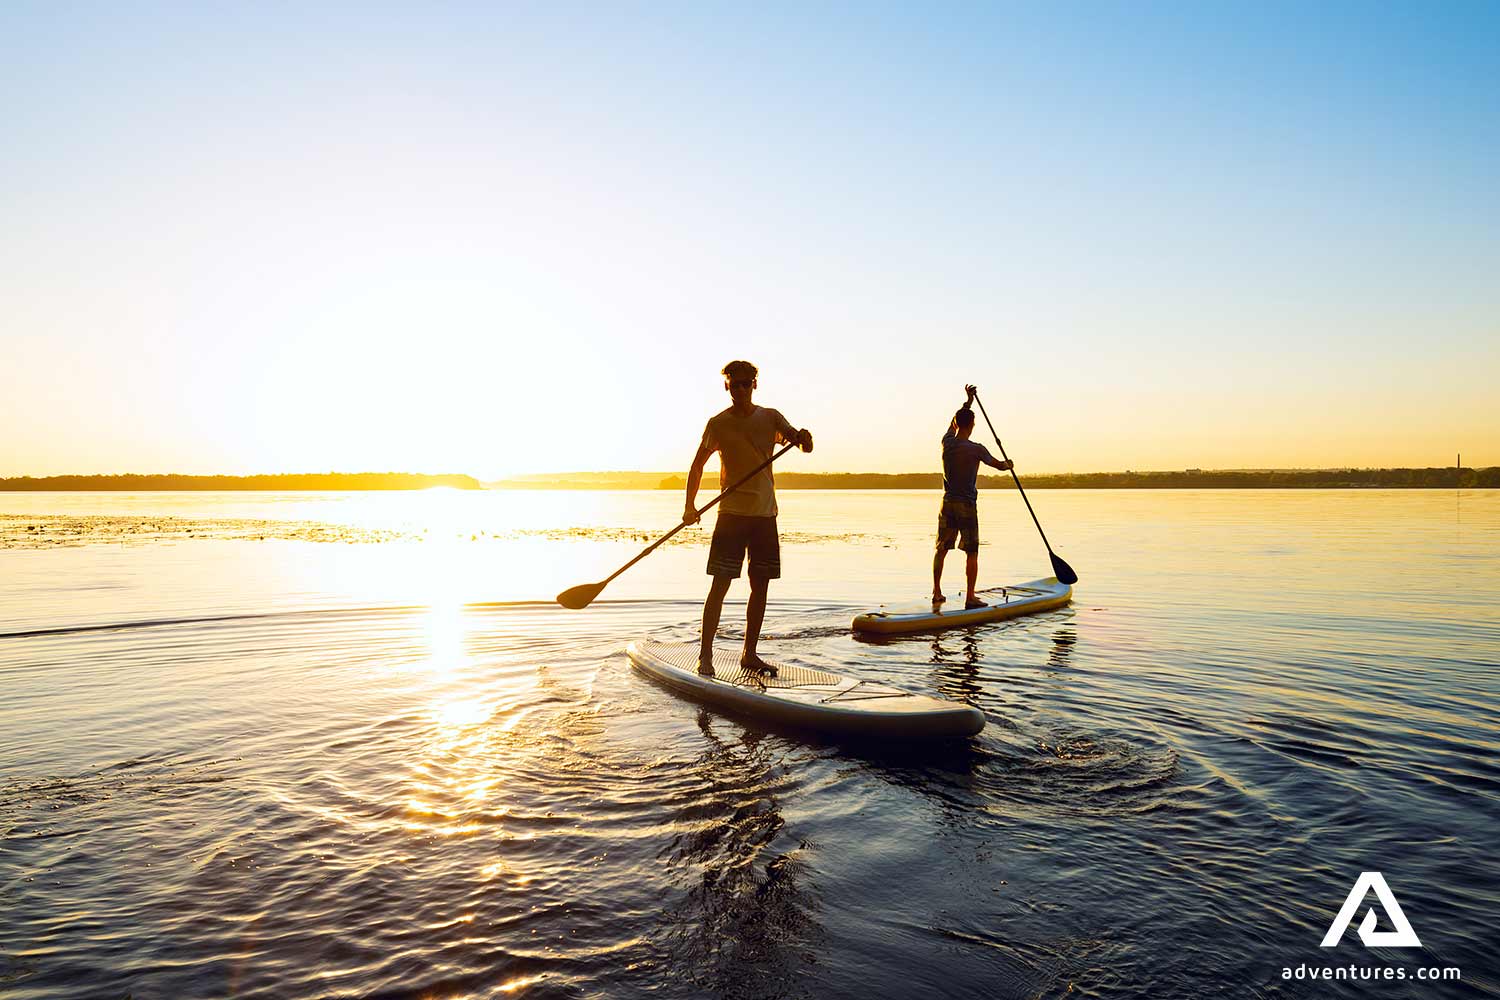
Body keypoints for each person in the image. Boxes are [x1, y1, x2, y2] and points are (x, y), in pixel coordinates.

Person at [684, 360, 813, 676]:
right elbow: (697, 465)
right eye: (734, 383)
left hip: (764, 515)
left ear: (754, 384)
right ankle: (705, 657)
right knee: (721, 585)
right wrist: (690, 506)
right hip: (731, 515)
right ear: (726, 385)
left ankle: (749, 654)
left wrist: (805, 437)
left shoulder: (770, 418)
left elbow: (804, 446)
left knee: (761, 585)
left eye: (746, 383)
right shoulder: (718, 424)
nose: (740, 389)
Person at [934, 384, 1013, 609]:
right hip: (966, 505)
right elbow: (998, 465)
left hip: (947, 503)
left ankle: (937, 592)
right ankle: (970, 597)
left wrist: (967, 402)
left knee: (941, 548)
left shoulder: (946, 443)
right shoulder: (976, 448)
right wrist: (1009, 465)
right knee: (972, 551)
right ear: (973, 425)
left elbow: (952, 422)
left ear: (958, 424)